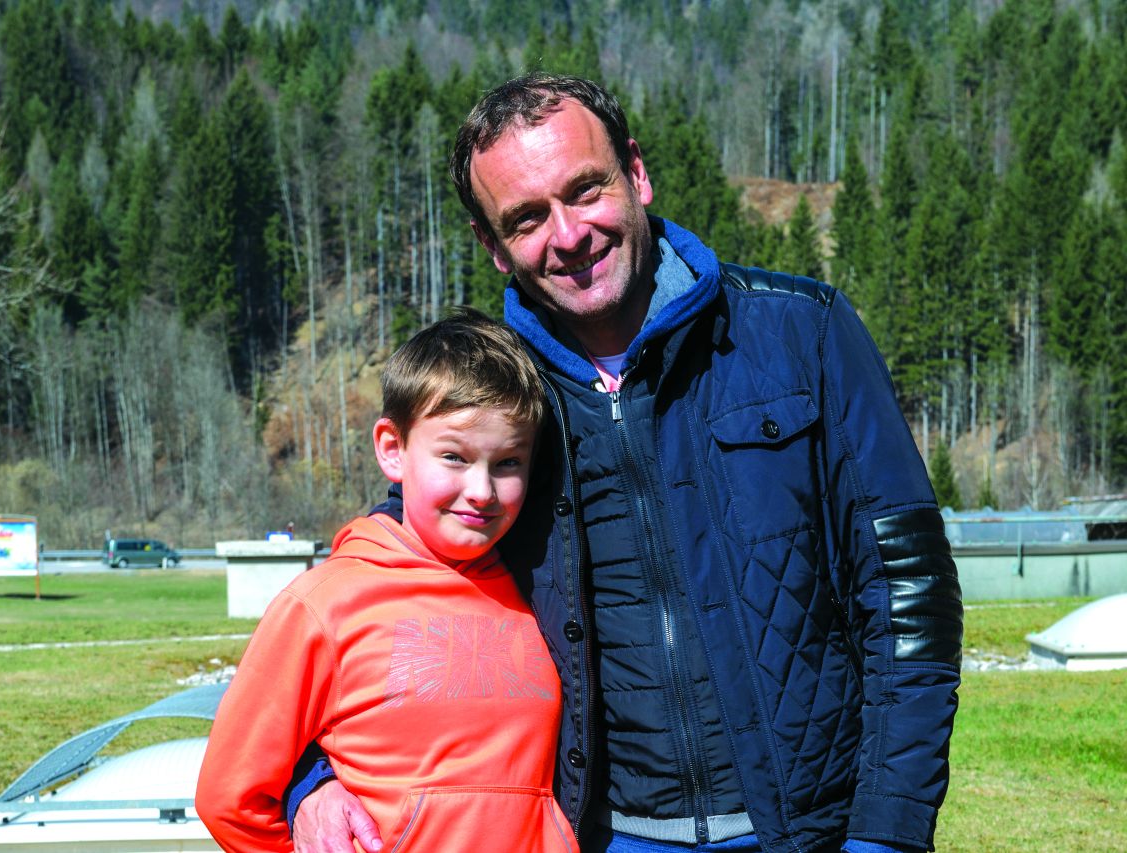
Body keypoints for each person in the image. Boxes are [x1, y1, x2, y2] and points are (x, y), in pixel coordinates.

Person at [290, 74, 963, 853]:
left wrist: (885, 834)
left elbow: (909, 593)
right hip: (602, 838)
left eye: (586, 190)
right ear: (492, 246)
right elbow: (371, 597)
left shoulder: (804, 333)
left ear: (636, 174)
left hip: (814, 832)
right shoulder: (493, 400)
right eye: (527, 217)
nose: (569, 234)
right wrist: (315, 777)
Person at [196, 310, 579, 853]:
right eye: (454, 457)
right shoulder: (324, 604)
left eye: (508, 463)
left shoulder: (538, 591)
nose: (482, 491)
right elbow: (230, 796)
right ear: (392, 449)